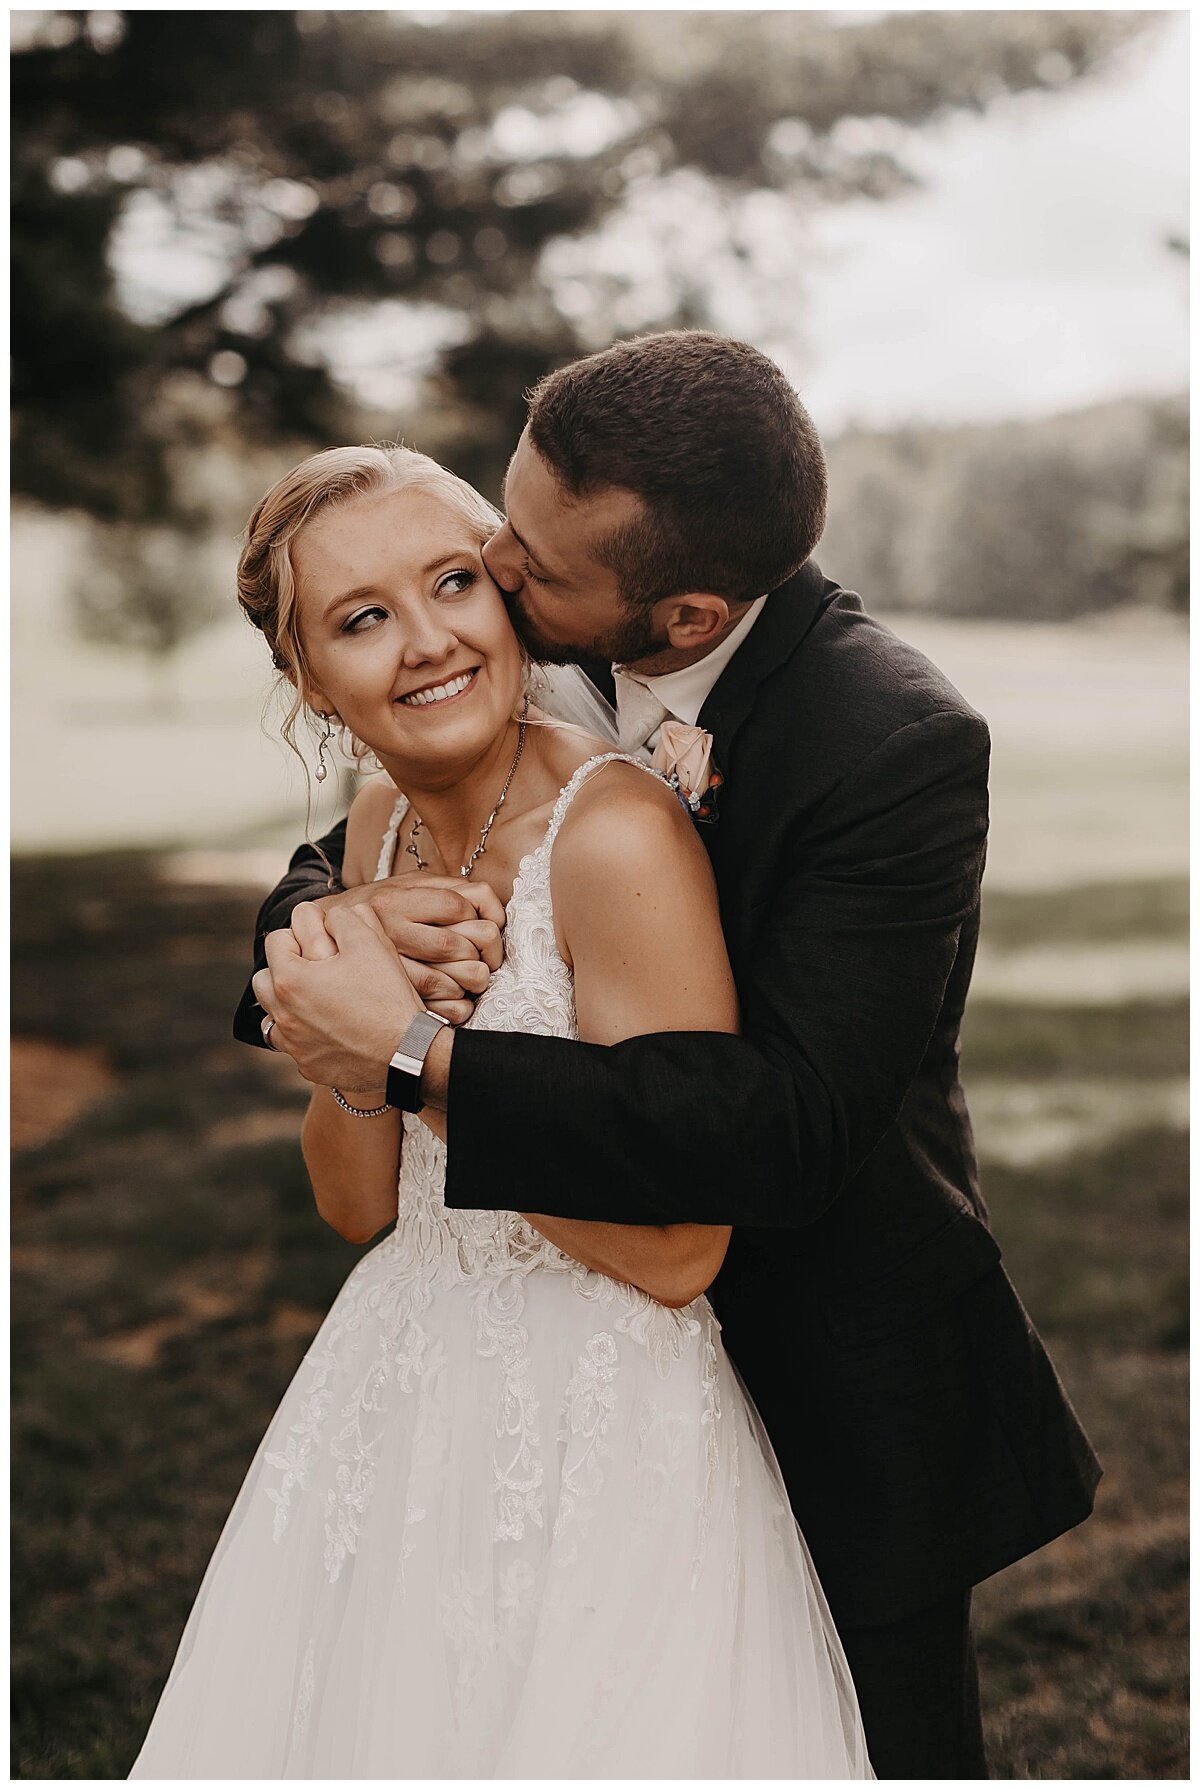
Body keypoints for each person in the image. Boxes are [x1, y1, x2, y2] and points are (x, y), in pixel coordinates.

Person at [236, 331, 1103, 1779]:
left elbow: (783, 1129)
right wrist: (325, 934)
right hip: (487, 1379)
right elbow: (357, 851)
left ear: (684, 612)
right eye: (498, 525)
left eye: (511, 564)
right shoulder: (552, 637)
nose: (492, 571)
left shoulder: (888, 741)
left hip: (830, 1359)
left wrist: (404, 1052)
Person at [131, 444, 873, 1777]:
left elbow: (678, 1251)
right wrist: (345, 1005)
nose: (428, 642)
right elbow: (355, 1203)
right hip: (399, 1397)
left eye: (453, 582)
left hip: (601, 1428)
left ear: (508, 590)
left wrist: (410, 1053)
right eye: (362, 618)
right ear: (308, 679)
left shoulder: (615, 833)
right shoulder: (372, 833)